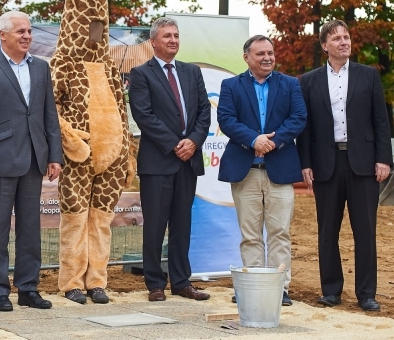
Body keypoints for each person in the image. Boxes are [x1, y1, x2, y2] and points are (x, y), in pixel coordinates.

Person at [0, 11, 64, 312]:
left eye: (29, 31)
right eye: (20, 31)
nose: (26, 36)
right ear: (3, 35)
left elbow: (49, 115)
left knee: (30, 229)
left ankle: (28, 288)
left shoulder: (41, 68)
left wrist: (55, 156)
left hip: (35, 160)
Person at [297, 20, 392, 312]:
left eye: (346, 37)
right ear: (325, 45)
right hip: (326, 164)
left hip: (363, 164)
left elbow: (380, 120)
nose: (343, 42)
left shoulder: (369, 76)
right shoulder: (308, 81)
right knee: (328, 231)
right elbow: (306, 127)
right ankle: (331, 290)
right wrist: (306, 163)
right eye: (336, 38)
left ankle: (366, 293)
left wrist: (383, 159)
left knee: (365, 230)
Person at [217, 35, 307, 306]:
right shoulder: (231, 85)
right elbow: (226, 119)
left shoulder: (290, 84)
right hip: (246, 171)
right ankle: (253, 286)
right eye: (260, 54)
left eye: (270, 52)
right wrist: (253, 140)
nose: (267, 57)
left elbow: (299, 118)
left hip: (280, 170)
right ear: (247, 57)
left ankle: (279, 289)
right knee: (251, 234)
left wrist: (272, 141)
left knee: (280, 232)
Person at [128, 16, 212, 303]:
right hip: (157, 162)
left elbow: (204, 111)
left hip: (188, 161)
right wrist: (175, 144)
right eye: (167, 36)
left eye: (176, 35)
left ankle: (181, 281)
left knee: (182, 223)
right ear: (153, 42)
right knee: (154, 225)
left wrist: (194, 141)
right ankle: (155, 283)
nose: (173, 40)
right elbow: (144, 116)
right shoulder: (140, 74)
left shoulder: (191, 72)